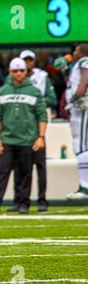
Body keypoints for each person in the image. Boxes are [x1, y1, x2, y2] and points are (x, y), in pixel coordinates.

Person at [0, 58, 47, 214]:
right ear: (10, 72)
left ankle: (23, 202)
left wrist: (41, 137)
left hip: (27, 138)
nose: (18, 74)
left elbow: (42, 116)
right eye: (15, 71)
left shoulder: (34, 91)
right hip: (7, 139)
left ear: (26, 72)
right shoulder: (3, 91)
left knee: (25, 173)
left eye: (21, 71)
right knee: (3, 172)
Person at [7, 50, 58, 212]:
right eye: (24, 61)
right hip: (21, 131)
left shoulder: (42, 77)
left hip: (37, 125)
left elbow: (52, 99)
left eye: (30, 60)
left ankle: (42, 199)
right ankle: (20, 200)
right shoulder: (11, 80)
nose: (27, 63)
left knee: (40, 165)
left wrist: (35, 101)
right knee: (20, 167)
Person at [64, 43, 88, 200]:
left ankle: (85, 186)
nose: (73, 52)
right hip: (80, 108)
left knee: (81, 145)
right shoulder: (78, 64)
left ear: (81, 52)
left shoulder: (84, 61)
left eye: (75, 50)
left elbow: (84, 81)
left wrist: (75, 98)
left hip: (83, 108)